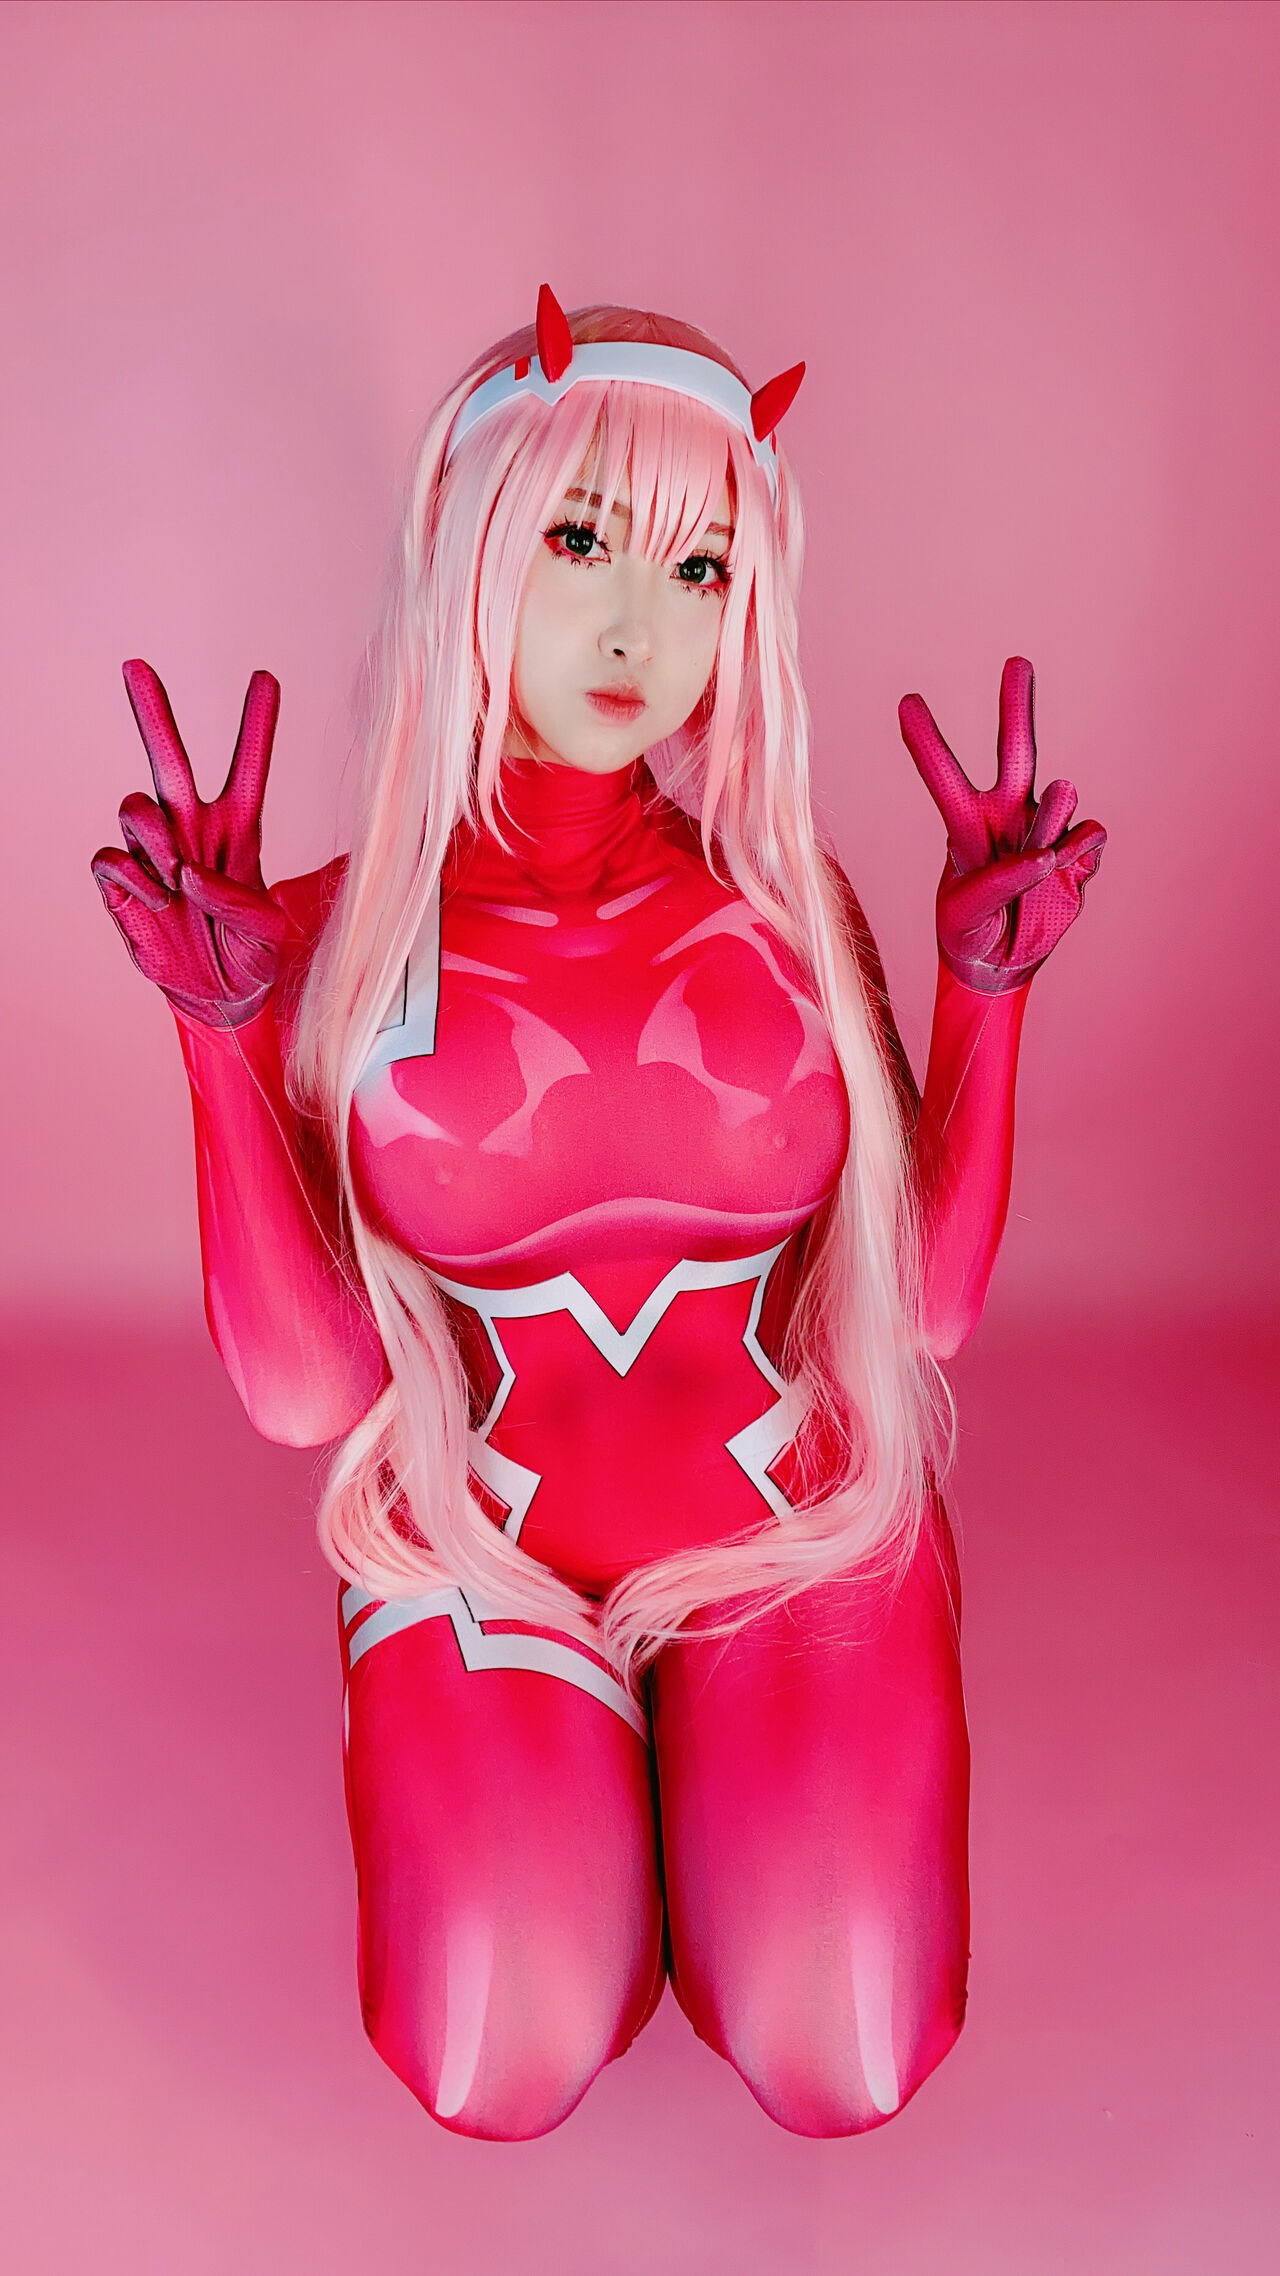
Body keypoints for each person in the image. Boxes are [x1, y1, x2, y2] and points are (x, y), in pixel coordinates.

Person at [92, 288, 1106, 2141]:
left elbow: (927, 1313)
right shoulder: (321, 938)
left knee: (846, 2053)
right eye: (581, 542)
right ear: (468, 541)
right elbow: (309, 1397)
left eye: (702, 567)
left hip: (793, 1531)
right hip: (484, 1554)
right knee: (499, 2053)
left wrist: (988, 995)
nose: (643, 626)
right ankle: (595, 1791)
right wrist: (220, 1040)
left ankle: (694, 1795)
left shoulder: (785, 902)